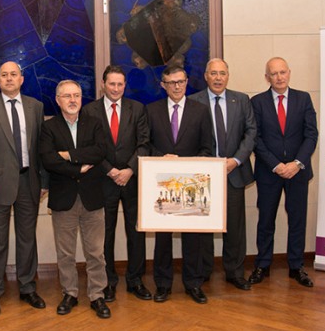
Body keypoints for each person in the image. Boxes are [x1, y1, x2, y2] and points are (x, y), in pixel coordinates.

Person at [0, 61, 48, 317]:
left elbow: (41, 147)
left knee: (27, 239)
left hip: (29, 182)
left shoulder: (35, 106)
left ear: (21, 79)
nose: (9, 78)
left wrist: (44, 182)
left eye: (13, 74)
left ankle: (28, 287)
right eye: (4, 75)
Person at [39, 80, 111, 319]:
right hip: (63, 198)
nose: (72, 100)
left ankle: (97, 295)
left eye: (76, 95)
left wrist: (68, 155)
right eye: (67, 96)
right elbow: (48, 159)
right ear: (58, 100)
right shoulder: (49, 127)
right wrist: (77, 169)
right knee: (65, 253)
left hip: (92, 197)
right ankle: (69, 293)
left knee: (96, 252)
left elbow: (99, 152)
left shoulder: (95, 123)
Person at [81, 65, 151, 302]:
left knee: (136, 231)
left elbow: (144, 143)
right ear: (103, 84)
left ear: (125, 86)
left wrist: (130, 169)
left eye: (120, 84)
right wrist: (110, 170)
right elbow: (89, 146)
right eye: (112, 83)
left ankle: (135, 280)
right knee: (105, 234)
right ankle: (108, 281)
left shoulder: (137, 109)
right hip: (103, 180)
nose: (116, 88)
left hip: (132, 179)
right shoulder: (89, 110)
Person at [145, 65, 214, 304]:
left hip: (191, 183)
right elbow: (145, 144)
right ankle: (163, 285)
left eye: (181, 81)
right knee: (163, 238)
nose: (177, 86)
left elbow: (207, 148)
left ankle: (193, 283)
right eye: (171, 82)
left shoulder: (200, 111)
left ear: (186, 82)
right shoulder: (151, 110)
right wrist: (162, 158)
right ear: (163, 85)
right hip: (161, 184)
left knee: (192, 237)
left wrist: (186, 164)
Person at [248, 57, 318, 288]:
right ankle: (262, 265)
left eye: (282, 72)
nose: (279, 77)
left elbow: (311, 134)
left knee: (297, 220)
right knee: (266, 220)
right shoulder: (257, 102)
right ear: (267, 77)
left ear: (289, 73)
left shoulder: (303, 98)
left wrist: (297, 163)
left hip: (298, 172)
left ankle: (296, 266)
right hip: (269, 172)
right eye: (274, 74)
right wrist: (276, 165)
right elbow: (255, 138)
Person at [189, 58, 257, 291]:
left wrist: (235, 160)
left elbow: (251, 132)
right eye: (213, 73)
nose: (218, 78)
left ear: (228, 76)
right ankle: (204, 270)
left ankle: (235, 273)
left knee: (234, 227)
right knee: (204, 226)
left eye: (222, 73)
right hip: (204, 176)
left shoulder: (242, 100)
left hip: (233, 172)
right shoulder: (193, 101)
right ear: (206, 76)